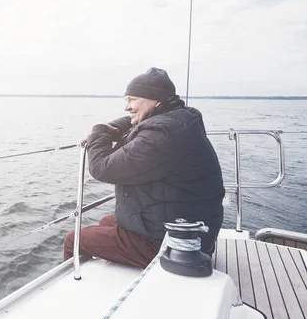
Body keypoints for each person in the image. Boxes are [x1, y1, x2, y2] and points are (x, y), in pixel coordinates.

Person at [63, 67, 225, 268]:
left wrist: (98, 132)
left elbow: (102, 168)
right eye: (126, 100)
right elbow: (133, 122)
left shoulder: (162, 134)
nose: (127, 107)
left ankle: (73, 290)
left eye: (131, 99)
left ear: (154, 99)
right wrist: (112, 130)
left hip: (173, 244)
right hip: (190, 230)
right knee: (107, 221)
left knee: (74, 239)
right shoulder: (180, 118)